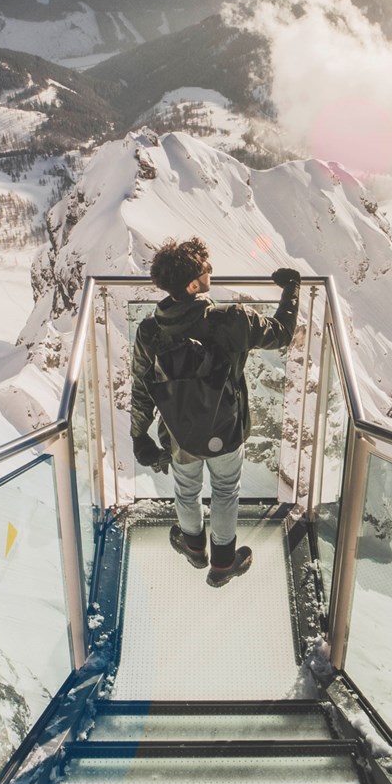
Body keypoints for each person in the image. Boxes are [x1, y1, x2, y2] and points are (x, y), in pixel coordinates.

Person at [131, 238, 301, 587]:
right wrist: (292, 288)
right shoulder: (231, 320)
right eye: (206, 269)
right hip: (226, 428)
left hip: (178, 434)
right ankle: (223, 564)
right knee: (225, 490)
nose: (211, 272)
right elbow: (281, 333)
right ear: (194, 285)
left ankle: (194, 548)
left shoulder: (149, 331)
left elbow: (142, 387)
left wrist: (139, 435)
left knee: (186, 490)